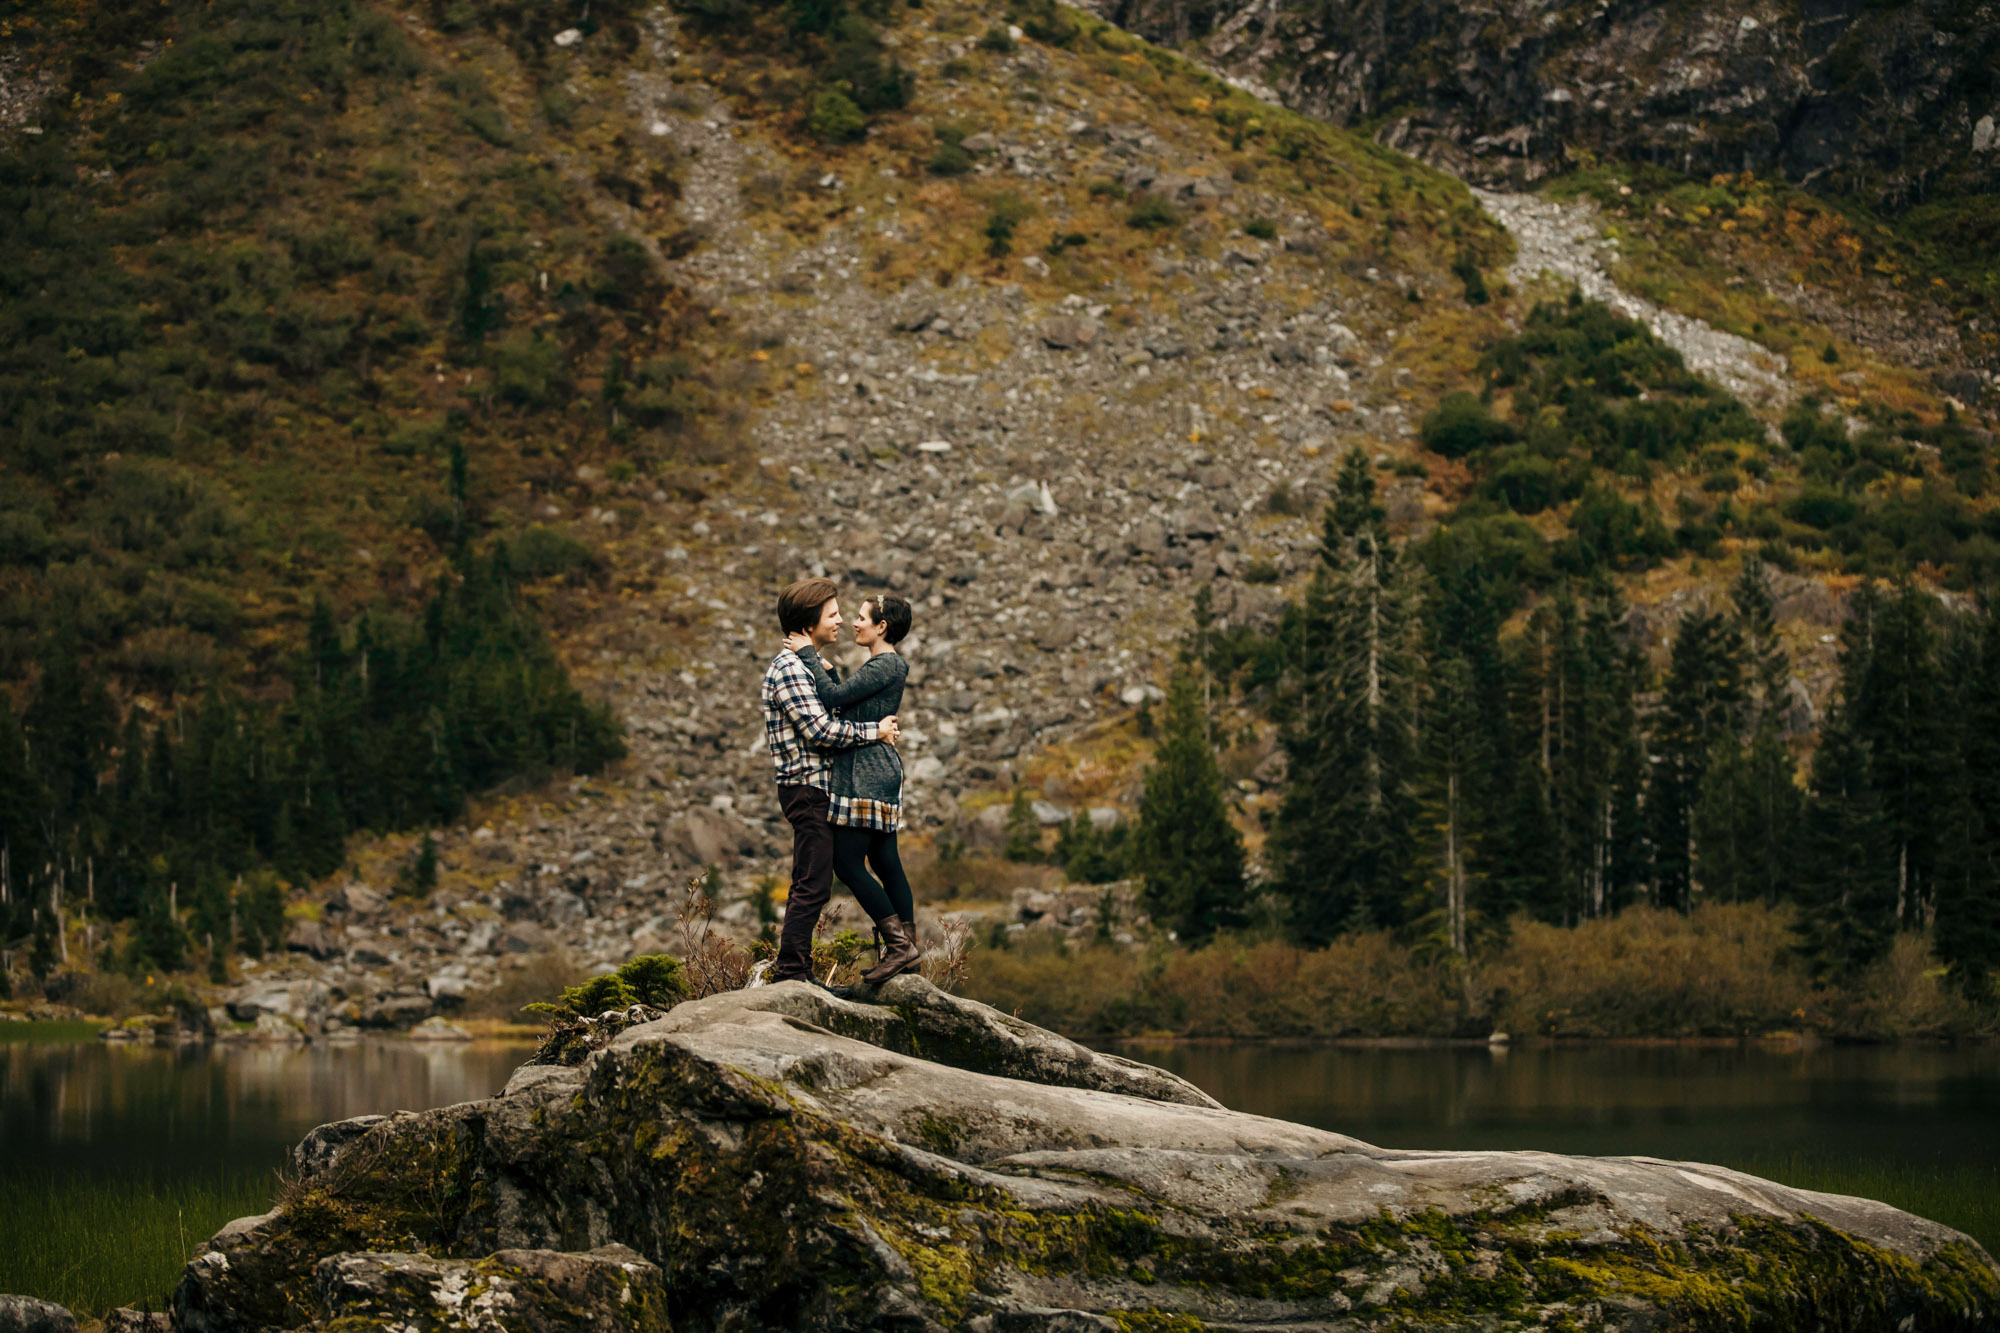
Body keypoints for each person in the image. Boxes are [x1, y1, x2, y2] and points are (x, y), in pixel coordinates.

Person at [760, 578, 900, 984]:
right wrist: (874, 732)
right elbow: (820, 730)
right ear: (808, 623)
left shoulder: (805, 665)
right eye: (833, 614)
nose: (840, 621)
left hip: (818, 788)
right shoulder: (788, 668)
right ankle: (792, 973)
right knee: (813, 883)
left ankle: (796, 970)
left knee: (813, 879)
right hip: (807, 788)